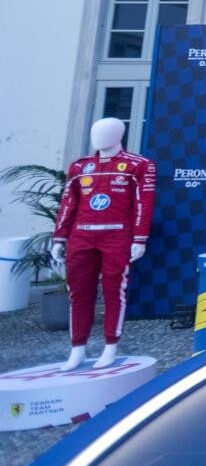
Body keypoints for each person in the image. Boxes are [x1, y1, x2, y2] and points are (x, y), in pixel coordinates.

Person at [51, 117, 155, 370]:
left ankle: (110, 346)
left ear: (120, 134)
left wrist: (139, 238)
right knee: (78, 293)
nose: (98, 137)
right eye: (96, 132)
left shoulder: (138, 165)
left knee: (114, 291)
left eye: (106, 132)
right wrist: (59, 238)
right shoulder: (80, 166)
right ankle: (77, 348)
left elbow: (143, 203)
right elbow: (68, 203)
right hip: (82, 236)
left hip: (117, 235)